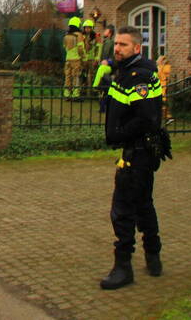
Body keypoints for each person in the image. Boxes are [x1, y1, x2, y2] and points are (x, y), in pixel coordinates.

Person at [101, 25, 164, 290]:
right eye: (116, 44)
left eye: (123, 45)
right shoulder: (127, 72)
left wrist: (118, 134)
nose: (117, 48)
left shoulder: (138, 76)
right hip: (137, 151)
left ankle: (123, 267)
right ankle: (153, 257)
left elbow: (147, 118)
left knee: (123, 210)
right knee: (143, 204)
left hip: (137, 152)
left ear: (137, 48)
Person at [62, 16, 86, 99]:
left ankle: (67, 94)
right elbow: (80, 48)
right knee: (76, 76)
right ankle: (75, 95)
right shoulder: (79, 35)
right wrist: (83, 57)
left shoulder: (66, 35)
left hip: (68, 59)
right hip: (76, 60)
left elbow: (65, 47)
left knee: (67, 76)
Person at [82, 18, 100, 92]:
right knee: (83, 75)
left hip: (92, 59)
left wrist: (97, 58)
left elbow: (98, 48)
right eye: (86, 27)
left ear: (92, 28)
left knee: (92, 75)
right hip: (83, 59)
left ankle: (92, 91)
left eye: (89, 27)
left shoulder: (95, 37)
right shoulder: (81, 36)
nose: (87, 29)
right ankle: (83, 91)